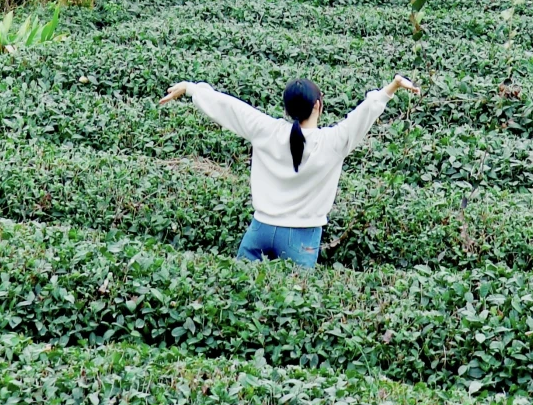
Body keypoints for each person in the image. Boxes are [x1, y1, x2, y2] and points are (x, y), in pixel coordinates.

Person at [158, 73, 419, 268]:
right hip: (301, 236)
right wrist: (392, 87)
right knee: (293, 310)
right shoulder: (333, 142)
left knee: (239, 296)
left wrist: (192, 89)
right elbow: (363, 115)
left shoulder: (266, 130)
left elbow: (231, 108)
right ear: (318, 105)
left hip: (260, 229)